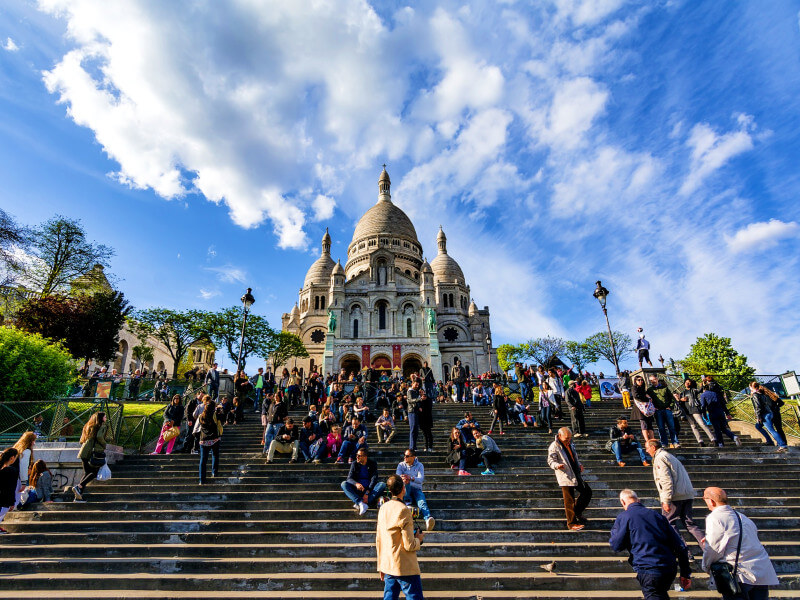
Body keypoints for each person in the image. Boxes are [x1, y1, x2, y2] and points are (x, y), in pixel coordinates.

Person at [609, 488, 692, 600]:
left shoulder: (624, 517)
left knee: (654, 594)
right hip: (668, 568)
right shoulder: (657, 516)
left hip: (648, 568)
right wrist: (685, 573)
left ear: (623, 502)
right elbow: (680, 546)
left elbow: (616, 545)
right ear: (638, 500)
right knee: (660, 594)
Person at [701, 486, 779, 600]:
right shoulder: (742, 517)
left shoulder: (715, 517)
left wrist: (706, 566)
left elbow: (713, 548)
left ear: (711, 501)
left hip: (739, 574)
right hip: (760, 570)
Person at [646, 440, 704, 560]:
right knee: (689, 523)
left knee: (669, 523)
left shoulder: (660, 458)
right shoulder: (669, 456)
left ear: (653, 447)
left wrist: (666, 500)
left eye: (647, 448)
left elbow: (666, 480)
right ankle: (708, 549)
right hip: (686, 494)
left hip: (675, 496)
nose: (646, 451)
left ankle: (684, 552)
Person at [376, 474, 426, 600]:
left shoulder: (383, 508)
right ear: (403, 488)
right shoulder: (404, 510)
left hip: (388, 564)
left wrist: (381, 565)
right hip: (405, 566)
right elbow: (409, 545)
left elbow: (379, 539)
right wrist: (418, 539)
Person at [547, 427, 592, 531]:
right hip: (565, 475)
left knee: (587, 492)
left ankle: (577, 512)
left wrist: (579, 464)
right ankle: (571, 523)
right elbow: (550, 461)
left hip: (575, 473)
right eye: (566, 439)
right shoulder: (554, 446)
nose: (568, 440)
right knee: (569, 500)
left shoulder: (570, 444)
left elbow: (574, 457)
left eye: (570, 438)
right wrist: (557, 465)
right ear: (559, 436)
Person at [73, 412, 114, 502]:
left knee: (87, 473)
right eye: (105, 417)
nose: (106, 418)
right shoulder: (102, 426)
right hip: (92, 452)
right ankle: (79, 486)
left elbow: (81, 440)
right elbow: (100, 436)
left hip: (84, 451)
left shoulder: (89, 425)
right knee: (94, 472)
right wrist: (104, 444)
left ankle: (78, 496)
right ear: (101, 418)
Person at [395, 448, 435, 531]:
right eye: (404, 455)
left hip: (416, 488)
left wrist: (411, 478)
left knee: (422, 501)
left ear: (413, 457)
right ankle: (407, 500)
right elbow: (397, 477)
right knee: (405, 482)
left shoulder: (420, 465)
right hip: (405, 489)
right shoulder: (401, 465)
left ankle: (428, 519)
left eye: (407, 456)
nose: (405, 457)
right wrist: (404, 479)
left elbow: (420, 479)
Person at [341, 448, 386, 516]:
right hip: (358, 489)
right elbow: (349, 478)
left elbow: (374, 478)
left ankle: (363, 502)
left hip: (369, 490)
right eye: (357, 455)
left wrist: (367, 492)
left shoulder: (372, 463)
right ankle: (360, 502)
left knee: (382, 485)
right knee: (344, 484)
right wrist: (356, 484)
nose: (357, 457)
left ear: (365, 457)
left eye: (359, 455)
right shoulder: (354, 464)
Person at [674, 379, 715, 447]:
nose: (687, 383)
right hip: (687, 411)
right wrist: (680, 399)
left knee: (702, 424)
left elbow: (700, 390)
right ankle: (700, 441)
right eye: (686, 382)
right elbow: (680, 403)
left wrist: (703, 383)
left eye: (689, 382)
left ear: (691, 383)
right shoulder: (682, 393)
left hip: (695, 409)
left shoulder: (693, 390)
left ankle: (713, 439)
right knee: (693, 426)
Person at [749, 382, 788, 452]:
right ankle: (772, 441)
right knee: (759, 426)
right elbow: (780, 403)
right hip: (770, 413)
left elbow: (758, 407)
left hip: (765, 414)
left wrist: (758, 417)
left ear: (752, 387)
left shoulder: (756, 395)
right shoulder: (763, 394)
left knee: (772, 430)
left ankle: (782, 444)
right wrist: (776, 408)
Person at [648, 375, 680, 448]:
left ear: (657, 379)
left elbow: (671, 398)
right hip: (658, 411)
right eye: (651, 380)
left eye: (654, 379)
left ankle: (675, 442)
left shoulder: (665, 388)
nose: (653, 381)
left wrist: (670, 406)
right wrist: (653, 408)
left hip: (667, 409)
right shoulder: (650, 390)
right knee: (661, 428)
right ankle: (664, 443)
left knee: (671, 427)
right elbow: (648, 400)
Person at [198, 400, 223, 485]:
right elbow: (221, 420)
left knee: (203, 460)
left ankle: (202, 479)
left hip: (203, 439)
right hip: (214, 439)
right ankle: (214, 472)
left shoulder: (201, 416)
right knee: (215, 455)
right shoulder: (215, 415)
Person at [630, 375, 657, 442]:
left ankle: (652, 439)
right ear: (635, 381)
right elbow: (636, 396)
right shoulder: (634, 387)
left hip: (647, 408)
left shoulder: (643, 388)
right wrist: (647, 398)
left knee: (650, 425)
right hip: (640, 409)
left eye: (641, 380)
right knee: (644, 424)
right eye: (638, 380)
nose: (640, 381)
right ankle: (647, 440)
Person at [0, 448, 19, 534]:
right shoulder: (12, 471)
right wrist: (12, 502)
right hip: (4, 500)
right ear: (12, 458)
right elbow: (11, 488)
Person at [406, 380, 421, 451]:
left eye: (418, 385)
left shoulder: (415, 391)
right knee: (413, 429)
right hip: (411, 411)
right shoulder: (410, 391)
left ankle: (414, 446)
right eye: (416, 384)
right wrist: (417, 400)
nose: (417, 386)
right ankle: (411, 447)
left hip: (416, 411)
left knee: (416, 430)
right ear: (412, 384)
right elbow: (409, 400)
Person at [418, 388, 434, 452]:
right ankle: (426, 446)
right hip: (422, 419)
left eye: (423, 393)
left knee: (429, 433)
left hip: (428, 418)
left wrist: (424, 400)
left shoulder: (429, 400)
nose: (422, 395)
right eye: (421, 393)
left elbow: (429, 408)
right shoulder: (419, 400)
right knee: (424, 434)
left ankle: (430, 446)